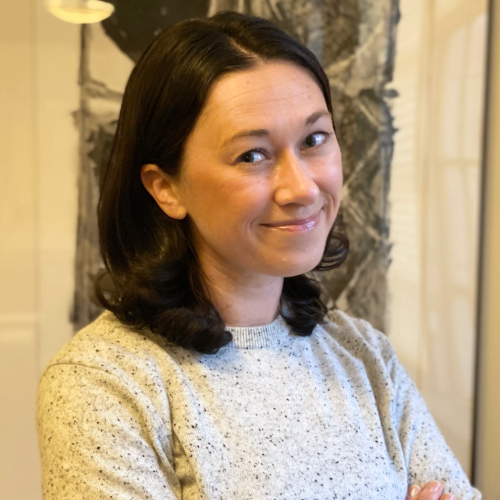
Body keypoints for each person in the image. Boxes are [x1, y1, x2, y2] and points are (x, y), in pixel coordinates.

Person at [36, 11, 481, 500]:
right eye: (252, 155)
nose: (302, 188)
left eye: (314, 140)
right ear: (165, 188)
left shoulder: (364, 354)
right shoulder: (102, 384)